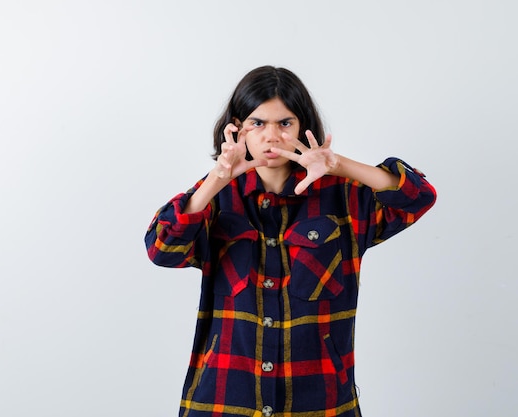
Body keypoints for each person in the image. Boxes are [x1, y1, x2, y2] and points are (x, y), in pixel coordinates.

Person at [144, 65, 436, 417]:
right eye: (257, 123)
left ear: (302, 127)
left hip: (320, 402)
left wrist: (338, 165)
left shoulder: (343, 197)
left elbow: (417, 196)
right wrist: (215, 180)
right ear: (237, 129)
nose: (272, 136)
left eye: (285, 123)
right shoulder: (216, 198)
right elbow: (161, 249)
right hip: (224, 399)